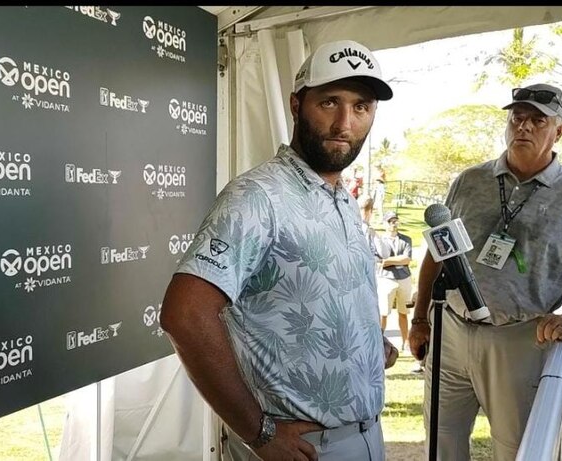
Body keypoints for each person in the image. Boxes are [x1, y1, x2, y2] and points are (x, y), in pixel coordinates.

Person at [159, 39, 397, 461]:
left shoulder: (340, 196)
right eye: (329, 102)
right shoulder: (258, 196)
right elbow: (185, 314)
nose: (345, 122)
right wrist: (261, 433)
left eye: (361, 106)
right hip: (306, 448)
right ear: (296, 104)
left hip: (363, 434)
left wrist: (369, 343)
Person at [408, 83, 562, 460]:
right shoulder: (470, 181)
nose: (523, 126)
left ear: (559, 131)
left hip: (520, 339)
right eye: (516, 117)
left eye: (538, 120)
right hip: (451, 332)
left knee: (518, 449)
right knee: (440, 443)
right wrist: (421, 317)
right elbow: (437, 254)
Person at [373, 211, 413, 352]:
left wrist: (388, 261)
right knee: (383, 312)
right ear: (385, 223)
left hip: (404, 279)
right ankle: (379, 343)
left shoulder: (406, 240)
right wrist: (396, 261)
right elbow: (378, 262)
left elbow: (407, 259)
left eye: (395, 220)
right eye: (390, 221)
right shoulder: (379, 241)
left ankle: (406, 342)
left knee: (404, 312)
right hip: (386, 279)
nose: (393, 224)